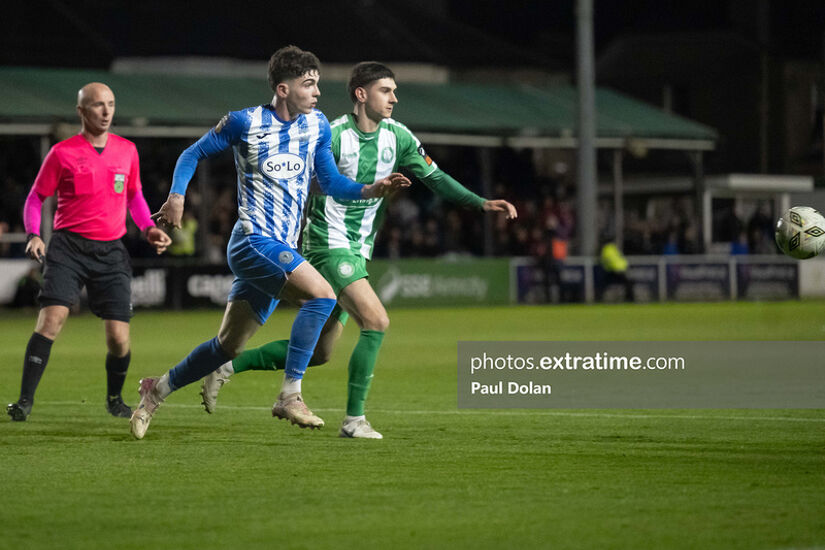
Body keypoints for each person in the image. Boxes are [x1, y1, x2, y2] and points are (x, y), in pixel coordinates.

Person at [199, 61, 517, 439]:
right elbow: (305, 179)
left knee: (320, 353)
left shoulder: (398, 137)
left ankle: (226, 367)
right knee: (377, 320)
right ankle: (353, 421)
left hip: (357, 247)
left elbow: (435, 178)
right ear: (361, 94)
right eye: (386, 91)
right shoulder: (330, 133)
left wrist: (479, 203)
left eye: (395, 91)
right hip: (326, 243)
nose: (394, 98)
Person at [129, 47, 410, 439]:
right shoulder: (244, 123)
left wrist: (370, 188)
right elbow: (192, 154)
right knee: (323, 296)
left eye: (317, 83)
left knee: (226, 347)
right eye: (308, 84)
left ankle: (154, 393)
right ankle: (289, 394)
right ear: (282, 88)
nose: (316, 93)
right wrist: (176, 196)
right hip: (251, 240)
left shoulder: (316, 127)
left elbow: (329, 183)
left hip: (281, 248)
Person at [6, 82, 172, 422]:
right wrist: (34, 234)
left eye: (110, 104)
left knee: (118, 338)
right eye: (98, 105)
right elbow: (36, 197)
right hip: (68, 247)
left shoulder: (127, 150)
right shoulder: (62, 153)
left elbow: (134, 197)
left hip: (111, 251)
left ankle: (114, 398)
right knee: (51, 321)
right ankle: (24, 401)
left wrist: (149, 227)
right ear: (81, 111)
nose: (107, 111)